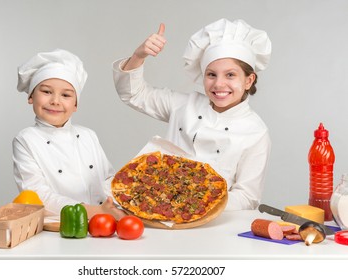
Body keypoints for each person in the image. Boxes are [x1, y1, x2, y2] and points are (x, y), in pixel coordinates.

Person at [112, 19, 272, 211]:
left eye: (230, 75)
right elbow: (134, 94)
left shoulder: (256, 132)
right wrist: (139, 55)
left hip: (212, 225)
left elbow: (248, 197)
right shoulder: (184, 105)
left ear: (249, 80)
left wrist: (197, 206)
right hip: (159, 209)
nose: (219, 84)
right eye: (211, 74)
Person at [14, 48, 125, 220]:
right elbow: (37, 195)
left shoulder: (88, 135)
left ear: (75, 105)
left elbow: (109, 179)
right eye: (46, 91)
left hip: (104, 222)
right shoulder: (26, 139)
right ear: (30, 96)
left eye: (66, 95)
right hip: (63, 224)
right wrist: (95, 211)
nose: (55, 101)